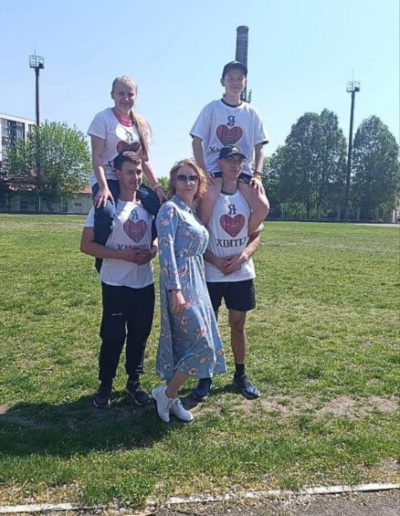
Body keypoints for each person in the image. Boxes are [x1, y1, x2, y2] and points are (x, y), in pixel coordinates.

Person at [80, 151, 157, 409]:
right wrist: (121, 255)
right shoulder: (104, 206)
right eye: (129, 172)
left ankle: (134, 382)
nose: (135, 177)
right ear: (118, 173)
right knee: (112, 336)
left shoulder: (148, 207)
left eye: (138, 172)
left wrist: (152, 252)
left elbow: (157, 238)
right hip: (115, 283)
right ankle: (105, 384)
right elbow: (86, 245)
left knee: (139, 335)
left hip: (144, 283)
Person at [152, 160, 226, 423]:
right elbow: (166, 251)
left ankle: (169, 395)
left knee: (190, 343)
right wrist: (175, 290)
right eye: (182, 177)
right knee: (202, 345)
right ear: (174, 182)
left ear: (199, 183)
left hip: (197, 283)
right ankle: (168, 395)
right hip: (181, 284)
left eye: (193, 178)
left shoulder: (190, 212)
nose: (188, 182)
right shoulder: (169, 210)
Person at [191, 146, 264, 402]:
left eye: (239, 161)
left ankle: (240, 375)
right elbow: (198, 236)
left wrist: (242, 257)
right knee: (208, 326)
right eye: (229, 160)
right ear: (219, 163)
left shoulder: (248, 195)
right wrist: (215, 260)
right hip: (212, 273)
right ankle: (205, 377)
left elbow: (256, 236)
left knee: (238, 324)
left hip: (241, 273)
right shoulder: (207, 195)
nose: (235, 165)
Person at [88, 75, 164, 270]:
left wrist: (156, 186)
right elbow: (97, 157)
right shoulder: (103, 119)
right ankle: (101, 254)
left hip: (132, 179)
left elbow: (144, 160)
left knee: (161, 208)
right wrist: (103, 187)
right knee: (106, 211)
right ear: (112, 94)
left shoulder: (141, 124)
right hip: (108, 177)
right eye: (121, 93)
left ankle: (147, 246)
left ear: (136, 96)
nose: (125, 98)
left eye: (130, 94)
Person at [190, 60, 270, 230]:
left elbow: (260, 147)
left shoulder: (252, 112)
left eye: (239, 78)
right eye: (230, 78)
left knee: (263, 207)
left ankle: (244, 237)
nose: (235, 82)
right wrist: (202, 171)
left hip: (241, 169)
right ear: (222, 81)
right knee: (208, 198)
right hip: (214, 168)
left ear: (245, 82)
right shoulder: (212, 108)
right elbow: (196, 141)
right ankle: (202, 237)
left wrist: (258, 175)